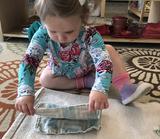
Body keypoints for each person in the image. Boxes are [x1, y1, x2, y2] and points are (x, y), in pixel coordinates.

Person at [15, 0, 152, 116]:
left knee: (109, 50)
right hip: (62, 72)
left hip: (89, 67)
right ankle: (87, 82)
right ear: (43, 22)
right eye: (53, 31)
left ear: (82, 19)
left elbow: (103, 62)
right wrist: (25, 92)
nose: (61, 38)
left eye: (69, 31)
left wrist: (100, 89)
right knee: (45, 79)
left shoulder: (90, 34)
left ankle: (126, 88)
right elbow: (29, 61)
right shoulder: (41, 34)